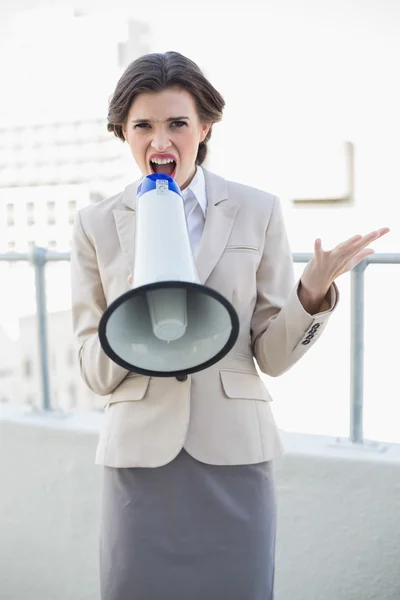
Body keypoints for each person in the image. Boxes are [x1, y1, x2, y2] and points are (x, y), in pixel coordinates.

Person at [70, 51, 389, 600]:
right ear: (122, 131)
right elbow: (92, 372)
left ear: (205, 126)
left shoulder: (256, 208)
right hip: (140, 456)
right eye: (142, 126)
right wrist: (138, 303)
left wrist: (312, 293)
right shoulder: (96, 224)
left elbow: (272, 356)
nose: (160, 142)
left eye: (177, 124)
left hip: (234, 453)